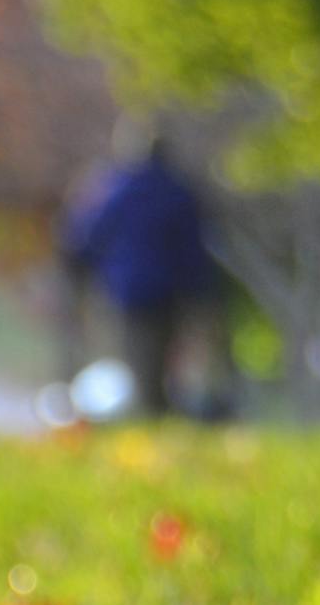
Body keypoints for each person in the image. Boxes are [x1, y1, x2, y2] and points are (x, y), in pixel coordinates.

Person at [59, 121, 216, 419]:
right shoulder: (177, 191)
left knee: (137, 351)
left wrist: (80, 269)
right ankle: (157, 410)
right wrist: (200, 287)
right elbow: (194, 247)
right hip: (170, 288)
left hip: (127, 287)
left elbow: (88, 235)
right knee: (166, 351)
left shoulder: (114, 190)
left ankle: (149, 411)